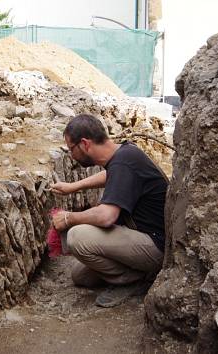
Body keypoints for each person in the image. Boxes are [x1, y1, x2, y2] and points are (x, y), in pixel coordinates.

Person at [51, 114, 168, 307]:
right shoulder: (124, 153)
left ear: (85, 144)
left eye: (71, 149)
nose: (71, 155)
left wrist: (69, 218)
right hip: (141, 235)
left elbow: (106, 217)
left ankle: (133, 280)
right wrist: (73, 187)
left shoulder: (123, 162)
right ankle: (133, 272)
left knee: (77, 237)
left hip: (156, 246)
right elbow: (111, 175)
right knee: (80, 276)